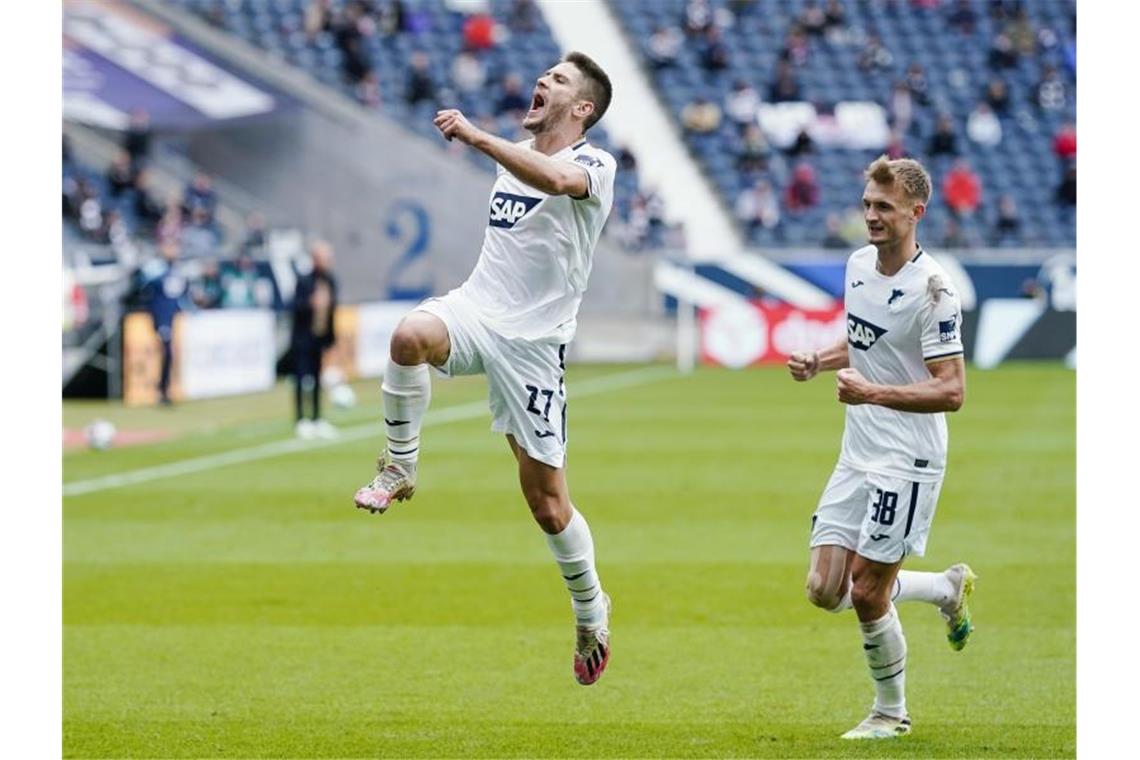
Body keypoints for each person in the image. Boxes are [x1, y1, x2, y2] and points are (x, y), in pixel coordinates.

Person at [353, 52, 616, 686]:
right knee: (409, 335)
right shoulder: (516, 155)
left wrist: (476, 135)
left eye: (558, 80)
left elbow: (556, 182)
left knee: (548, 505)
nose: (543, 82)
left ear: (581, 109)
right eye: (545, 74)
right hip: (477, 310)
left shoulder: (595, 165)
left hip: (534, 346)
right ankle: (399, 465)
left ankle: (590, 610)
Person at [786, 156, 975, 740]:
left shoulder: (935, 290)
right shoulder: (857, 265)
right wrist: (822, 359)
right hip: (857, 450)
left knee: (868, 591)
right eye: (868, 204)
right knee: (824, 590)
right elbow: (866, 339)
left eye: (884, 207)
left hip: (908, 458)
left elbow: (952, 390)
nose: (871, 216)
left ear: (916, 213)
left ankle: (891, 713)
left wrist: (874, 392)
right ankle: (945, 588)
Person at [291, 240, 339, 440]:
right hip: (303, 338)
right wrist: (311, 303)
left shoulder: (330, 281)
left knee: (319, 379)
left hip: (320, 338)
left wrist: (331, 338)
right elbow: (295, 307)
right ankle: (302, 419)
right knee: (302, 379)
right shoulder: (304, 281)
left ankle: (318, 418)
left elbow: (332, 311)